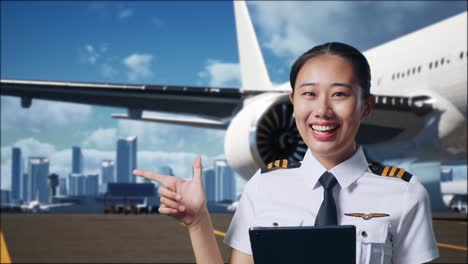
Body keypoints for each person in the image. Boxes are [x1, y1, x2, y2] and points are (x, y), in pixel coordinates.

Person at [133, 42, 439, 264]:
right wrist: (198, 222)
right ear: (293, 103)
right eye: (309, 94)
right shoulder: (264, 185)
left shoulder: (405, 193)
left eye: (339, 94)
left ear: (367, 105)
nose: (322, 110)